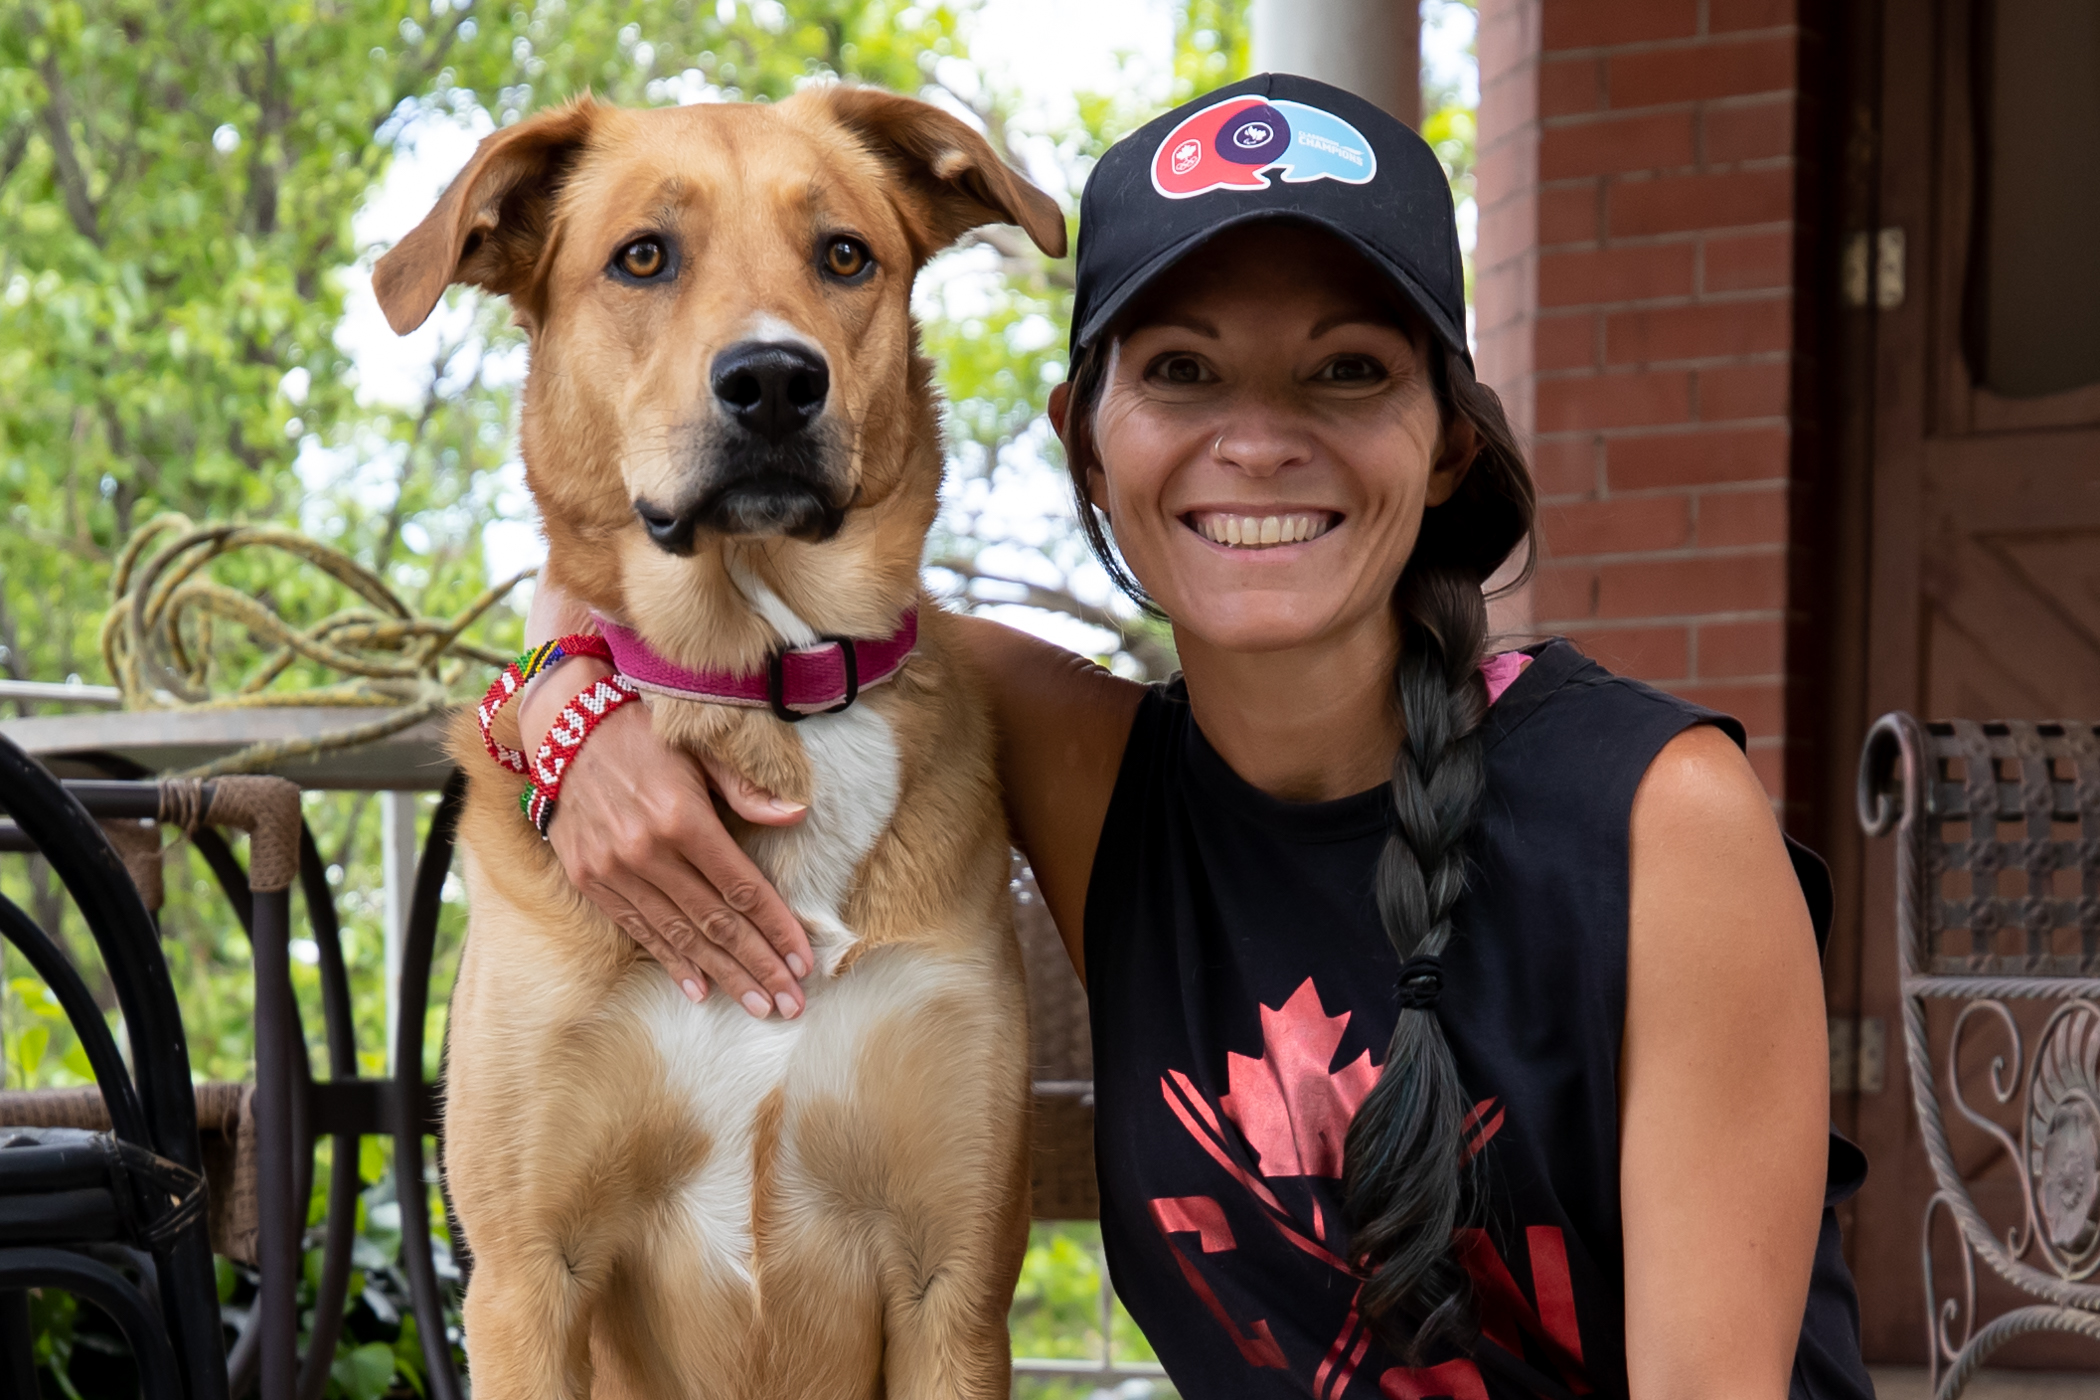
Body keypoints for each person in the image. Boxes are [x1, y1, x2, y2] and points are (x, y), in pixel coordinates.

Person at [511, 74, 1872, 1399]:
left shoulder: (1655, 818)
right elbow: (717, 646)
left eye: (1346, 370)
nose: (1261, 440)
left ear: (1450, 441)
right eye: (1183, 371)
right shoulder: (1087, 772)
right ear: (1085, 450)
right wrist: (559, 710)